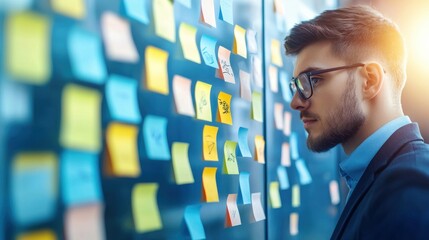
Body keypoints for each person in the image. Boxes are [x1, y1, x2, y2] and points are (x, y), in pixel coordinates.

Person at [284, 5, 429, 240]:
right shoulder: (382, 175)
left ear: (369, 81)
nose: (295, 102)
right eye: (296, 85)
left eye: (314, 80)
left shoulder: (410, 187)